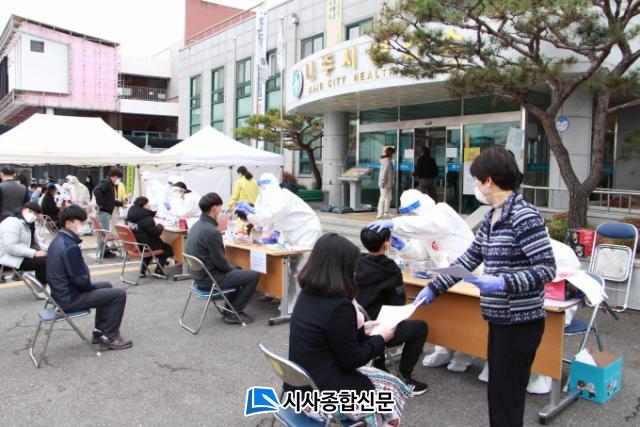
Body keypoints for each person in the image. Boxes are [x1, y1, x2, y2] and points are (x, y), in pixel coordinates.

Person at [414, 146, 557, 427]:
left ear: (489, 180)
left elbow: (547, 269)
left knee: (508, 396)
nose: (475, 185)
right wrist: (435, 287)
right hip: (499, 318)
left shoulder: (524, 215)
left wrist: (503, 281)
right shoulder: (493, 215)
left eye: (476, 180)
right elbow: (470, 257)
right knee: (498, 392)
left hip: (520, 321)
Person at [287, 233, 412, 425]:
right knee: (391, 390)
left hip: (298, 388)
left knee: (387, 383)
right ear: (342, 269)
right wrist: (382, 338)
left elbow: (330, 338)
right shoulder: (339, 306)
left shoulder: (307, 294)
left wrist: (363, 331)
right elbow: (352, 360)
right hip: (321, 397)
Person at [368, 188, 476, 371]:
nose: (411, 217)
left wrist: (394, 223)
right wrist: (402, 246)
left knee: (468, 317)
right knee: (445, 313)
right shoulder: (423, 225)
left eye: (412, 213)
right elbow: (418, 251)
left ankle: (465, 355)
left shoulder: (441, 212)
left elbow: (428, 225)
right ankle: (443, 349)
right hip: (446, 278)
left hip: (470, 275)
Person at [47, 205, 132, 350]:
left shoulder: (59, 240)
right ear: (69, 223)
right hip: (69, 298)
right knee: (119, 295)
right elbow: (81, 280)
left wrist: (92, 287)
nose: (83, 224)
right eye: (80, 221)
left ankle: (99, 332)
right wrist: (91, 288)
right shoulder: (70, 246)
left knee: (106, 286)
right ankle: (110, 337)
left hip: (60, 293)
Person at [356, 226, 429, 395]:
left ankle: (379, 364)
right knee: (420, 327)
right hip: (376, 331)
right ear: (387, 244)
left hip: (356, 327)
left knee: (375, 311)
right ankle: (405, 378)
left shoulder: (356, 262)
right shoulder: (391, 270)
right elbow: (396, 306)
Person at [185, 192, 258, 324]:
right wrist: (233, 269)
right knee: (253, 275)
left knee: (238, 269)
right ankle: (234, 312)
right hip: (210, 279)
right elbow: (222, 264)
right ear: (215, 209)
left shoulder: (196, 226)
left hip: (198, 277)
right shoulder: (212, 231)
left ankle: (230, 310)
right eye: (221, 208)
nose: (222, 212)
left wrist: (234, 269)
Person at [235, 173, 322, 248]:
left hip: (308, 230)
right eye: (262, 188)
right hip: (293, 232)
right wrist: (251, 212)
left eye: (265, 188)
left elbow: (265, 217)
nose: (263, 191)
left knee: (305, 259)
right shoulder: (269, 198)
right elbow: (265, 218)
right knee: (293, 259)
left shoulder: (283, 196)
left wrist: (248, 213)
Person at [0, 203, 49, 293]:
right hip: (9, 256)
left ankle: (42, 285)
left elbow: (34, 243)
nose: (33, 215)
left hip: (20, 253)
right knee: (43, 262)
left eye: (36, 214)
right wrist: (34, 253)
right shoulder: (12, 222)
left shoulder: (27, 223)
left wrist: (51, 248)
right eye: (31, 212)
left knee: (51, 256)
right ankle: (41, 289)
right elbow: (10, 247)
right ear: (23, 210)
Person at [127, 196, 173, 279]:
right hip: (146, 244)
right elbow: (156, 233)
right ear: (144, 205)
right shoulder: (146, 218)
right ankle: (158, 271)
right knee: (167, 249)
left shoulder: (131, 215)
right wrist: (160, 225)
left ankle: (142, 270)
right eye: (148, 203)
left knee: (148, 250)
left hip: (137, 245)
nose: (150, 205)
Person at [93, 168, 124, 258]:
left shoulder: (109, 183)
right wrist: (100, 203)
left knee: (103, 233)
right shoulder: (107, 182)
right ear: (114, 176)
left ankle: (104, 250)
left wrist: (121, 204)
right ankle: (104, 252)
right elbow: (97, 190)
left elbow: (109, 199)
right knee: (104, 233)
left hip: (104, 212)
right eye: (118, 178)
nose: (118, 180)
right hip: (104, 213)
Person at [377, 146, 395, 219]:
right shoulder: (386, 160)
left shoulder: (389, 160)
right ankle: (380, 213)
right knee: (383, 198)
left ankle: (386, 213)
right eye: (393, 153)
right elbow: (383, 172)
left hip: (388, 183)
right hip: (385, 183)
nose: (394, 155)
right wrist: (382, 181)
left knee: (388, 198)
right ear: (391, 153)